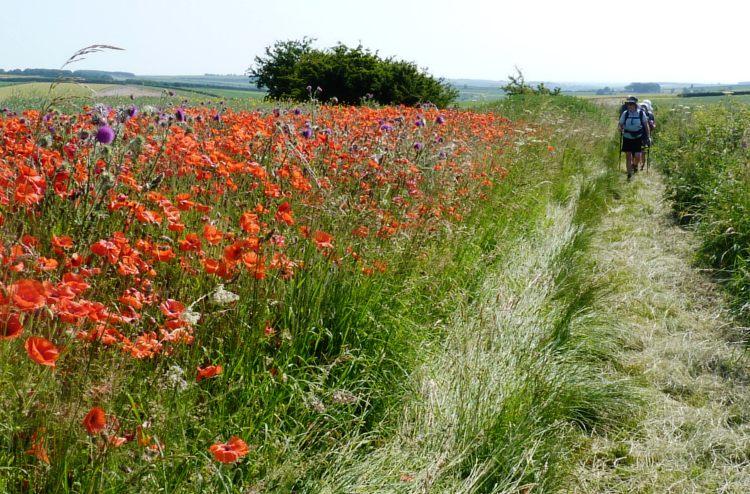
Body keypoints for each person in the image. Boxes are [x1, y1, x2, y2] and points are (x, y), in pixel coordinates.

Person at [619, 96, 650, 179]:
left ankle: (635, 165)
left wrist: (648, 136)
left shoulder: (640, 113)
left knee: (637, 156)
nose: (629, 105)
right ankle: (629, 174)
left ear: (635, 104)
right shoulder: (625, 113)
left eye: (631, 104)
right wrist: (620, 128)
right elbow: (621, 124)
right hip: (627, 136)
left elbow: (646, 125)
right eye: (628, 103)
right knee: (628, 156)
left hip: (638, 137)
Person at [637, 100, 656, 171]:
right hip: (638, 133)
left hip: (646, 135)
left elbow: (654, 127)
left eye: (645, 106)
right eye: (642, 106)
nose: (643, 108)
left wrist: (651, 124)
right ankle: (636, 164)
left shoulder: (651, 115)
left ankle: (642, 165)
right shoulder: (638, 114)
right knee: (637, 150)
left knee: (644, 151)